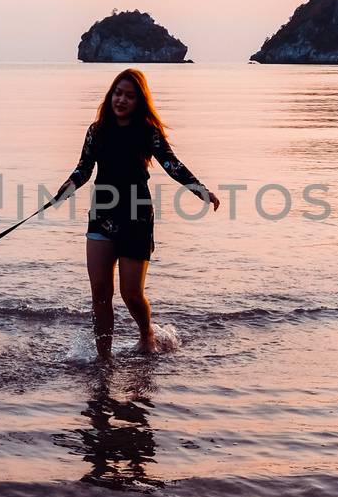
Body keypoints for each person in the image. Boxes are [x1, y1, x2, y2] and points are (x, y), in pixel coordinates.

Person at [55, 68, 219, 360]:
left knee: (131, 294)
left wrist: (200, 190)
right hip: (102, 216)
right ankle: (102, 358)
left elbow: (172, 164)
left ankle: (146, 334)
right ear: (110, 96)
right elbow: (84, 168)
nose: (122, 100)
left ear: (139, 101)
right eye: (118, 93)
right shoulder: (97, 130)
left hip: (136, 218)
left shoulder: (147, 132)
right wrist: (66, 187)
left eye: (129, 96)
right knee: (101, 295)